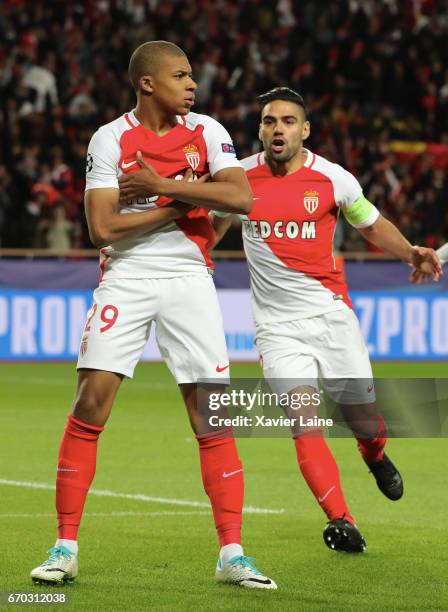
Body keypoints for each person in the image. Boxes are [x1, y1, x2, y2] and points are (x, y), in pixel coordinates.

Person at [30, 41, 276, 590]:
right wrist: (183, 203)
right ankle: (64, 546)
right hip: (127, 276)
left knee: (212, 416)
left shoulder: (210, 131)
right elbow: (103, 229)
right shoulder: (110, 139)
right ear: (147, 83)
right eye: (181, 76)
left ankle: (232, 553)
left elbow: (240, 198)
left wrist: (162, 188)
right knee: (91, 401)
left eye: (192, 76)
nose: (193, 85)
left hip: (190, 277)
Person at [213, 87, 442, 553]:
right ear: (259, 129)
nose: (278, 129)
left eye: (288, 121)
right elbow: (210, 232)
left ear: (305, 129)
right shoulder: (238, 182)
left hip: (332, 319)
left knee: (364, 422)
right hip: (277, 330)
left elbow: (371, 224)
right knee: (304, 422)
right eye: (270, 121)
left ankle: (373, 453)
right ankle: (342, 519)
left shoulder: (333, 179)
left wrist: (410, 253)